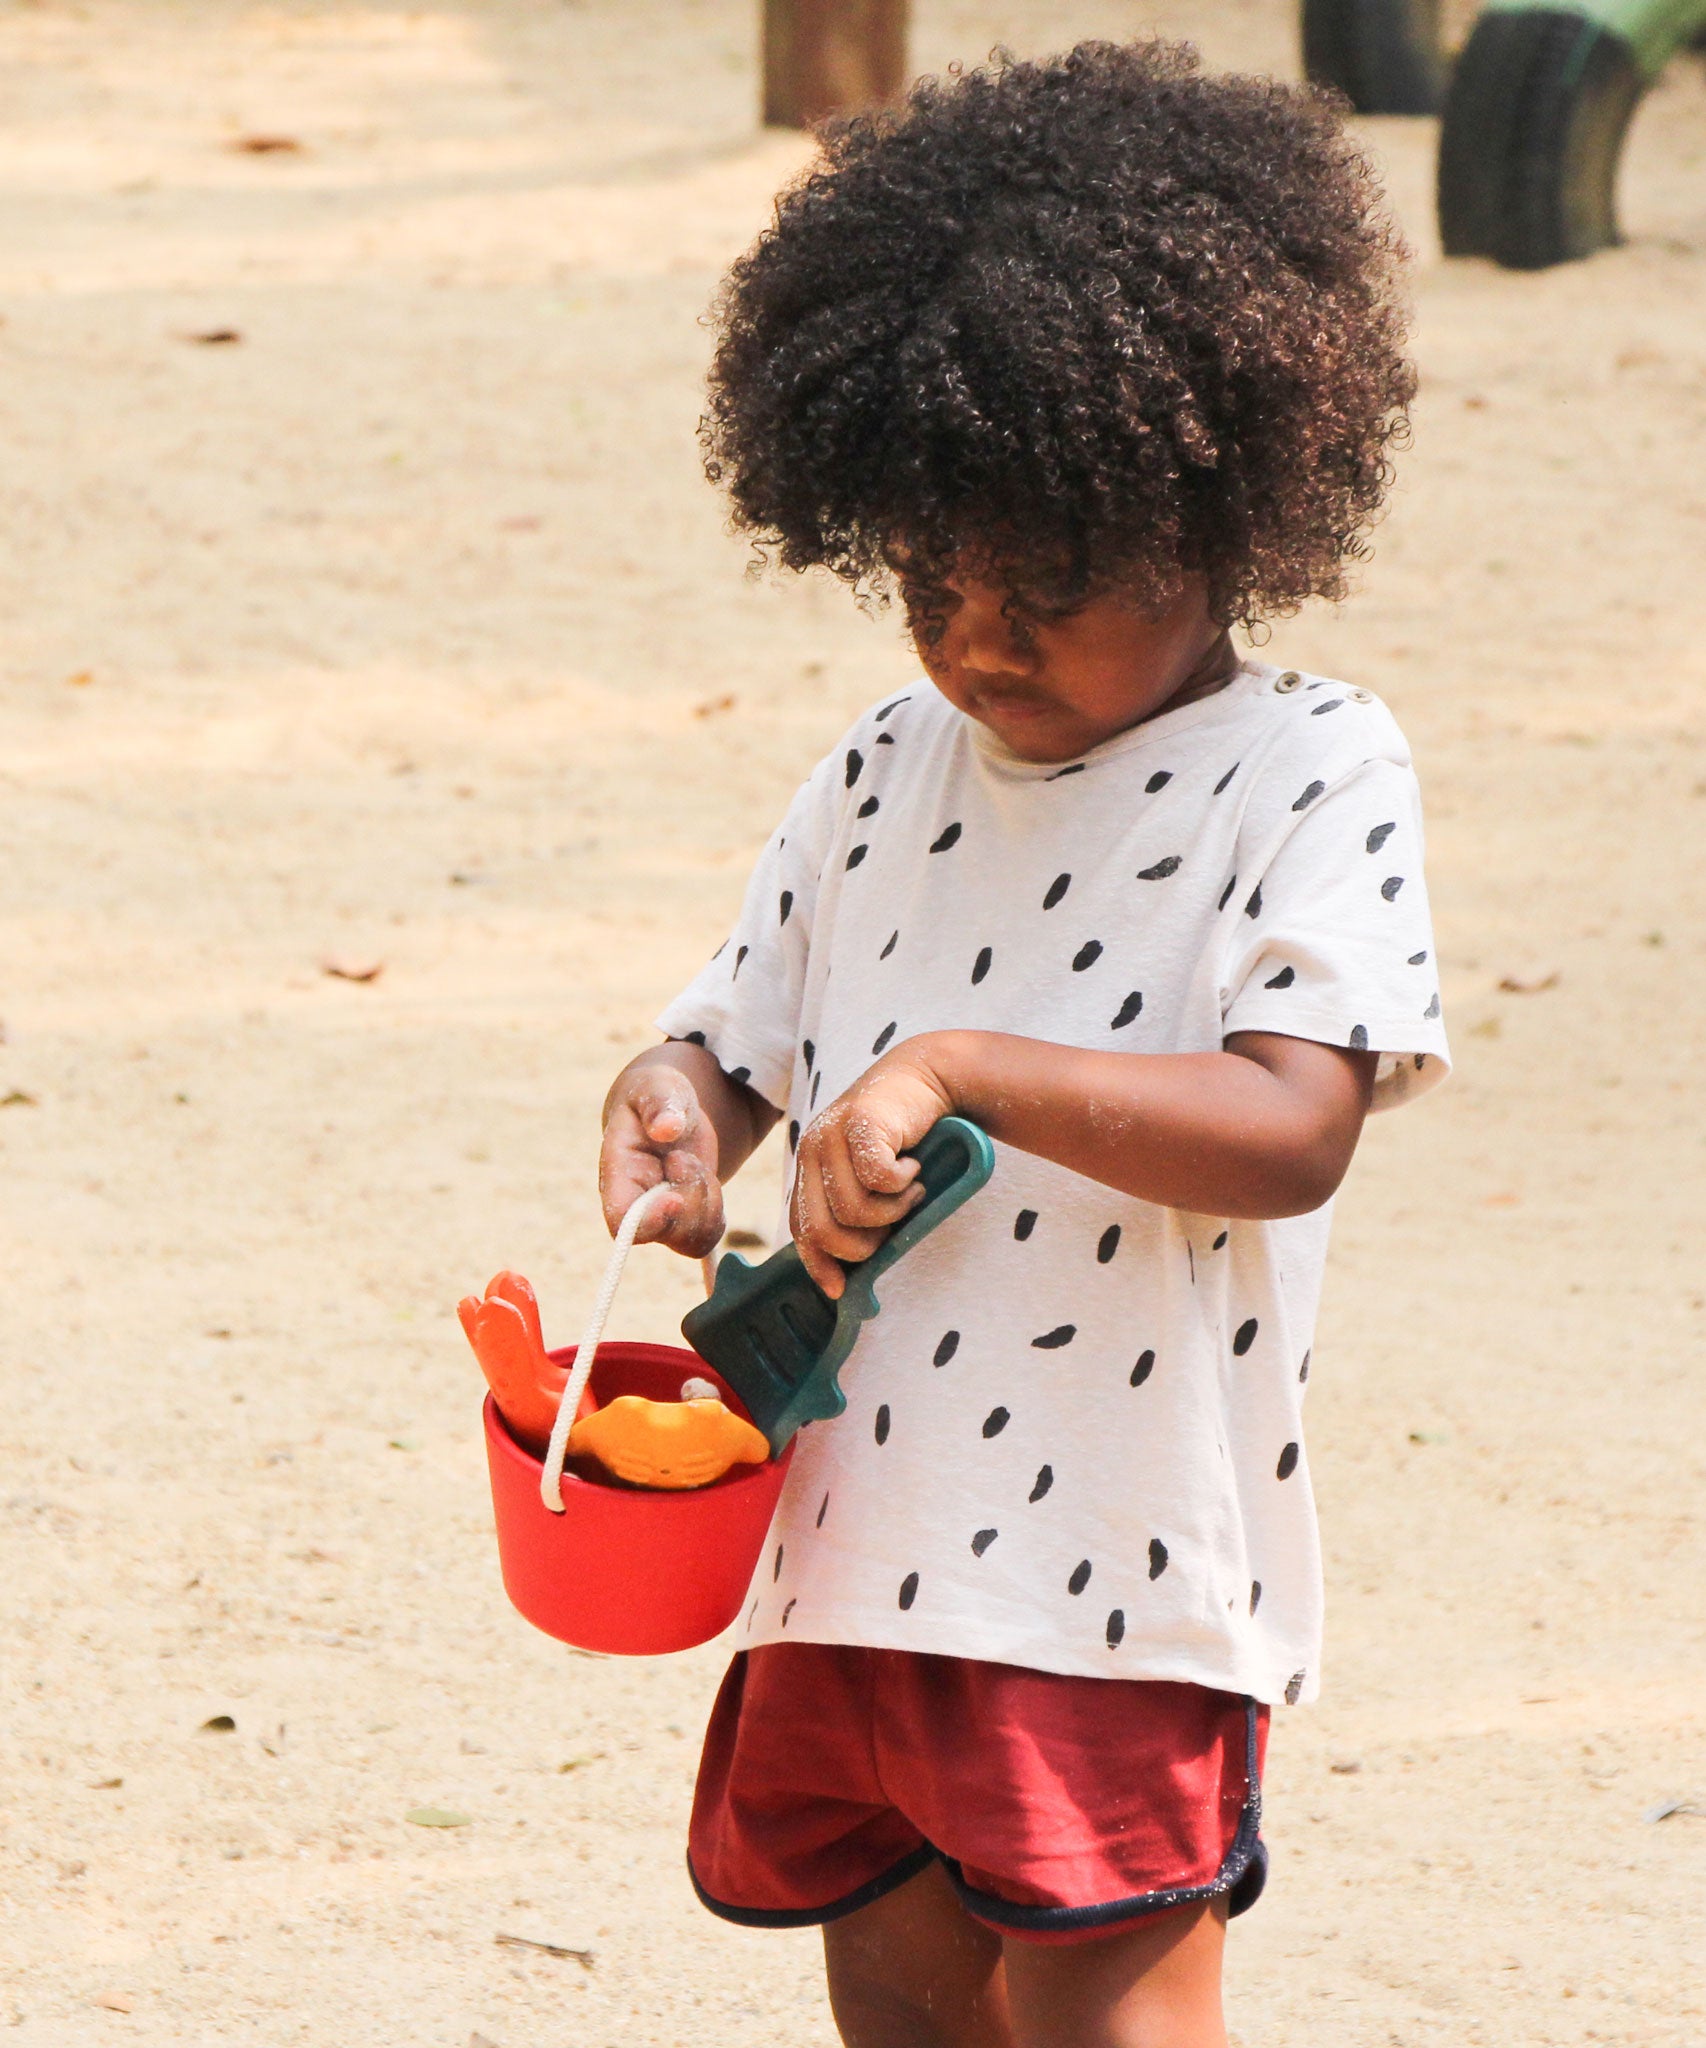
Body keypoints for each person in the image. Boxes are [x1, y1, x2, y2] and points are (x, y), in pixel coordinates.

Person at [598, 40, 1449, 2048]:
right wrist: (673, 1110)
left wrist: (963, 1066)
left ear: (1227, 501)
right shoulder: (887, 764)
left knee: (1100, 2012)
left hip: (1114, 1568)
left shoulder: (1310, 768)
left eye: (1046, 583)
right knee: (894, 2007)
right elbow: (739, 1029)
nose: (974, 636)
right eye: (922, 572)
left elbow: (1289, 1121)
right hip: (852, 1543)